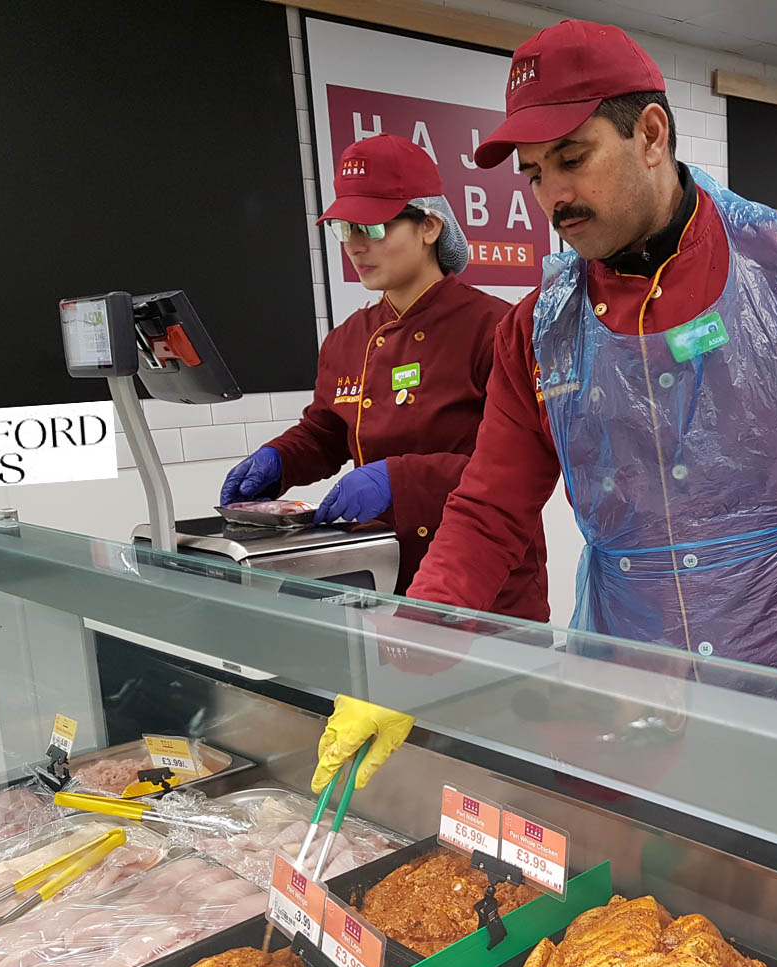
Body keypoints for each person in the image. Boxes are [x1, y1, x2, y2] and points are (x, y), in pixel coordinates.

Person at [400, 20, 777, 735]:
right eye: (534, 173)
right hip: (640, 690)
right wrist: (406, 663)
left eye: (572, 158)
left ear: (651, 135)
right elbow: (488, 510)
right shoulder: (536, 330)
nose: (552, 197)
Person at [220, 133, 547, 616]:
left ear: (430, 226)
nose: (354, 246)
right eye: (344, 230)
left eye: (371, 229)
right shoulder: (348, 338)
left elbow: (519, 466)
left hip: (487, 588)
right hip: (378, 573)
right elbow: (328, 430)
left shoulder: (496, 328)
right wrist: (279, 460)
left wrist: (400, 478)